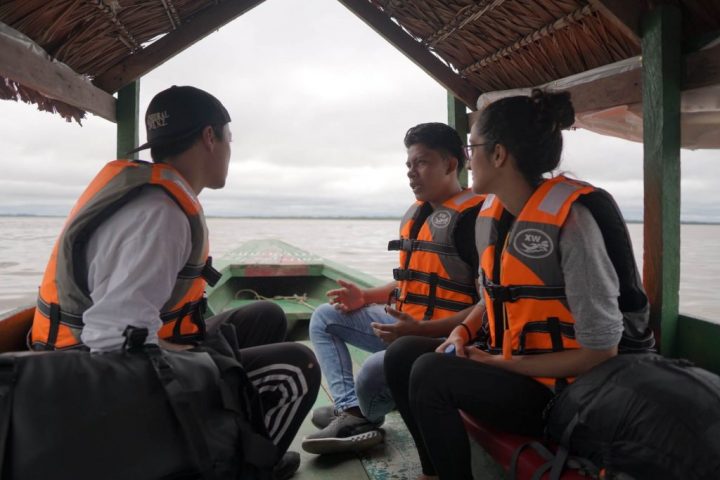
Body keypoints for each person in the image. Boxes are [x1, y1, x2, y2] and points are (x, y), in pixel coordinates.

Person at [30, 85, 320, 480]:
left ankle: (235, 439)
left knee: (263, 316)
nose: (230, 150)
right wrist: (203, 360)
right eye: (228, 138)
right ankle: (241, 469)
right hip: (86, 382)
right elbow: (114, 341)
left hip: (92, 356)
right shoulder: (159, 214)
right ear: (209, 138)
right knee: (296, 368)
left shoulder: (152, 195)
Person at [384, 90, 655, 479]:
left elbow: (602, 351)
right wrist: (461, 333)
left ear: (498, 155)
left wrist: (502, 363)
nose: (468, 159)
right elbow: (491, 297)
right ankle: (432, 472)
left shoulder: (572, 226)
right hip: (517, 368)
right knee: (403, 354)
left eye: (471, 147)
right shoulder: (495, 216)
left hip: (568, 394)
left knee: (431, 373)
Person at [301, 123, 485, 455]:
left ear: (450, 164)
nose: (412, 173)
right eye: (409, 165)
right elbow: (411, 281)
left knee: (374, 368)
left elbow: (487, 307)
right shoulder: (418, 214)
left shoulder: (474, 221)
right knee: (325, 317)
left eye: (422, 163)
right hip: (402, 329)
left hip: (442, 342)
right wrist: (366, 297)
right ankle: (352, 408)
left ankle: (358, 413)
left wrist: (420, 330)